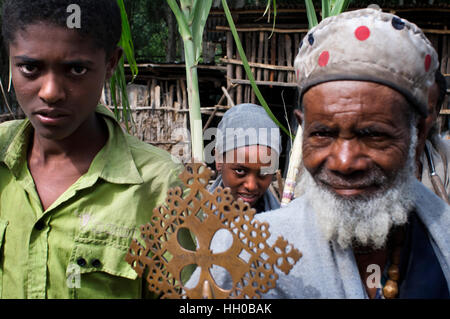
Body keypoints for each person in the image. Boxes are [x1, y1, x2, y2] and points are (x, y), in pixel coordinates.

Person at [208, 8, 450, 299]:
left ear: (419, 133)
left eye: (373, 134)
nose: (344, 162)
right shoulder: (243, 252)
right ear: (303, 130)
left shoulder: (441, 237)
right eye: (322, 134)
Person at [0, 0, 189, 299]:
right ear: (10, 59)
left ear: (111, 63)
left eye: (76, 69)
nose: (50, 92)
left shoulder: (159, 185)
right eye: (30, 67)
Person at [210, 103, 281, 213]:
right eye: (240, 171)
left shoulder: (282, 223)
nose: (251, 186)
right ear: (219, 159)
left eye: (264, 173)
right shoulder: (194, 218)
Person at [416, 70, 450, 202]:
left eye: (424, 111)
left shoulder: (444, 158)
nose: (413, 118)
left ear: (437, 112)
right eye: (406, 107)